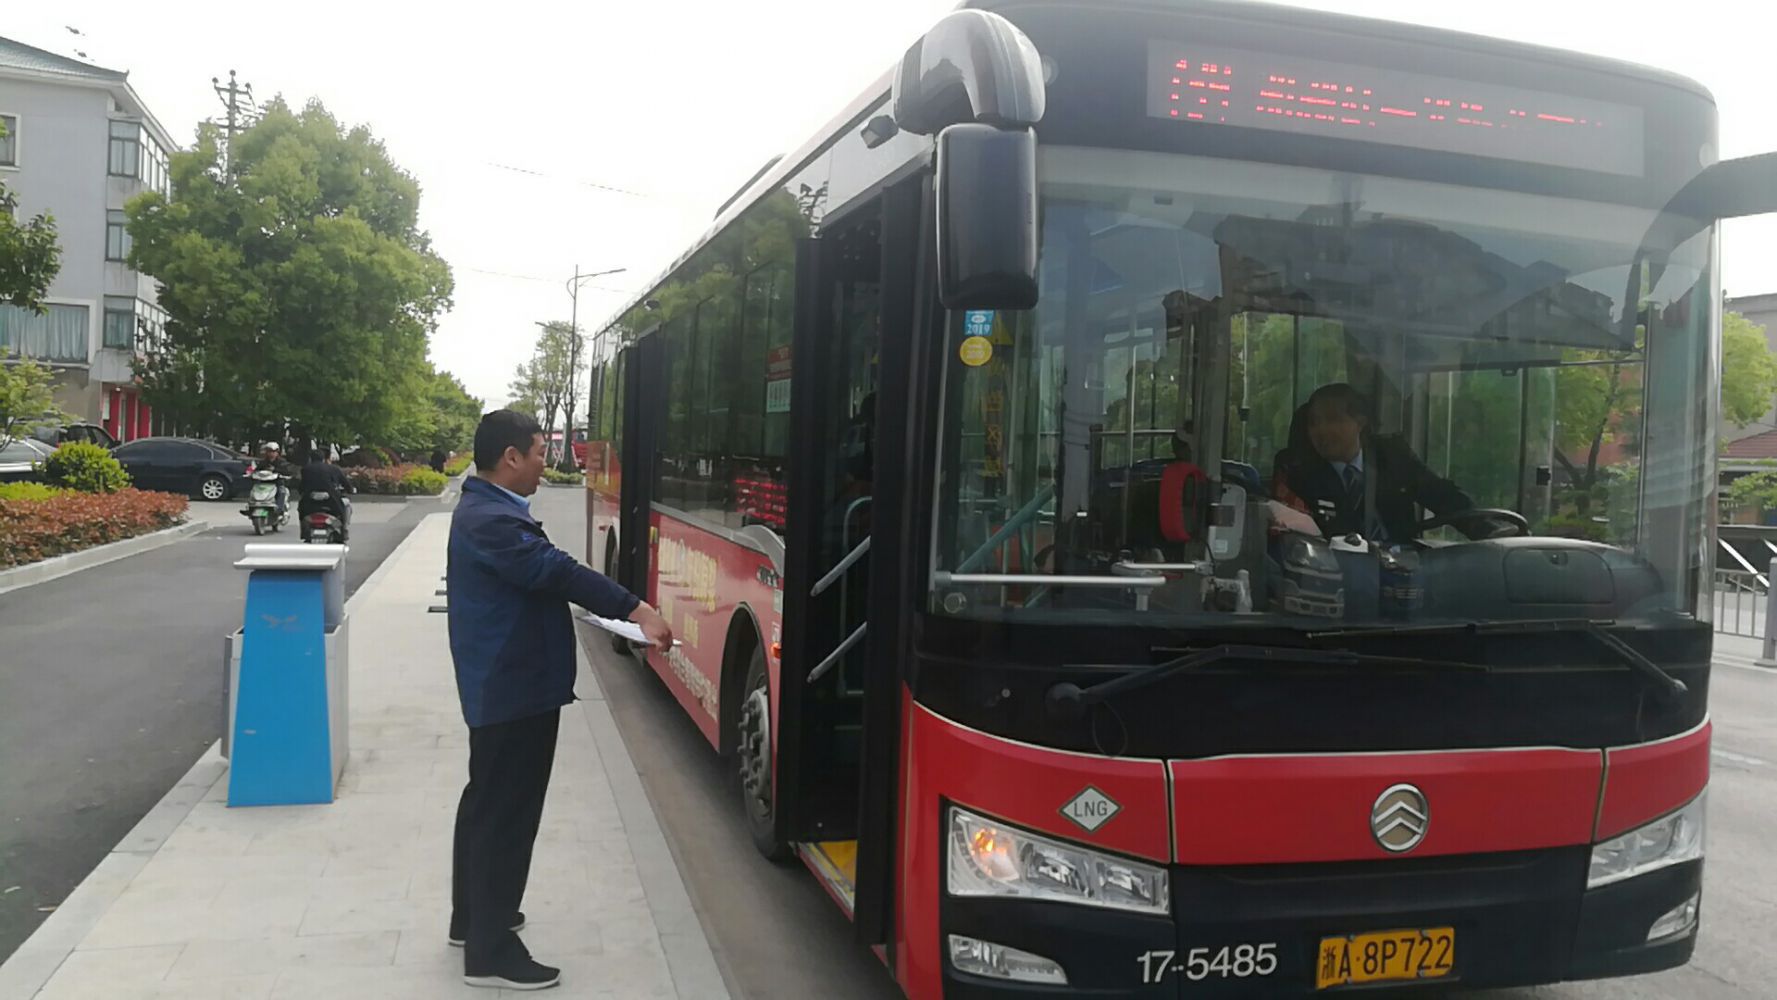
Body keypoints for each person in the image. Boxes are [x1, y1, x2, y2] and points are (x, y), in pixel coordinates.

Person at [446, 409, 672, 991]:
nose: (547, 465)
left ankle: (472, 918)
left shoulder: (486, 510)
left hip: (505, 684)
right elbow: (556, 570)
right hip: (513, 688)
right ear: (511, 457)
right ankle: (491, 953)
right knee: (506, 816)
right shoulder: (492, 519)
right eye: (541, 453)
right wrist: (636, 608)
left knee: (487, 804)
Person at [1272, 383, 1472, 542]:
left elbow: (1443, 496)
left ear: (1360, 422)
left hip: (1402, 569)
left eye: (1333, 419)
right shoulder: (1298, 473)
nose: (1321, 430)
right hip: (1333, 572)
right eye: (1314, 422)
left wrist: (1486, 528)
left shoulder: (1392, 456)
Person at [297, 450, 355, 540]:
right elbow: (346, 484)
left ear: (310, 459)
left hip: (310, 502)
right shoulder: (333, 469)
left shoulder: (305, 469)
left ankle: (304, 530)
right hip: (331, 501)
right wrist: (350, 490)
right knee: (343, 509)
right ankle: (343, 530)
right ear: (324, 459)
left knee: (301, 510)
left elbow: (301, 487)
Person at [257, 441, 296, 517]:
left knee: (281, 491)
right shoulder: (263, 462)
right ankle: (253, 506)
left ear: (277, 452)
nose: (272, 453)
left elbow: (287, 472)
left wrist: (275, 470)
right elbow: (257, 470)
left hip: (277, 483)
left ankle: (279, 509)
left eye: (274, 451)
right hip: (264, 484)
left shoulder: (282, 462)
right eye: (269, 451)